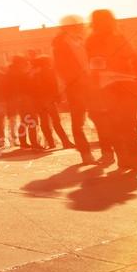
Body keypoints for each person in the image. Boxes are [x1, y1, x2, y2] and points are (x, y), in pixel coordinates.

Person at [86, 9, 137, 171]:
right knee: (126, 124)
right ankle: (133, 159)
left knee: (120, 125)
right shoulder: (109, 38)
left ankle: (125, 159)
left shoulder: (94, 40)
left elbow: (97, 65)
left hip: (111, 85)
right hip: (117, 85)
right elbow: (131, 58)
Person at [52, 15, 97, 164]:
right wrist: (73, 81)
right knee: (78, 121)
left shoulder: (84, 40)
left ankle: (106, 150)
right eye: (78, 25)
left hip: (91, 84)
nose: (81, 27)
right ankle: (86, 153)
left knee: (98, 117)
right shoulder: (61, 44)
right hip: (76, 86)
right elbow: (61, 68)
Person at [32, 55, 72, 149]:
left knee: (44, 122)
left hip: (38, 101)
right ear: (46, 62)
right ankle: (65, 142)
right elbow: (53, 85)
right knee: (56, 121)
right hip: (48, 99)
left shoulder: (34, 72)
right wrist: (57, 97)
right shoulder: (48, 71)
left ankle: (51, 143)